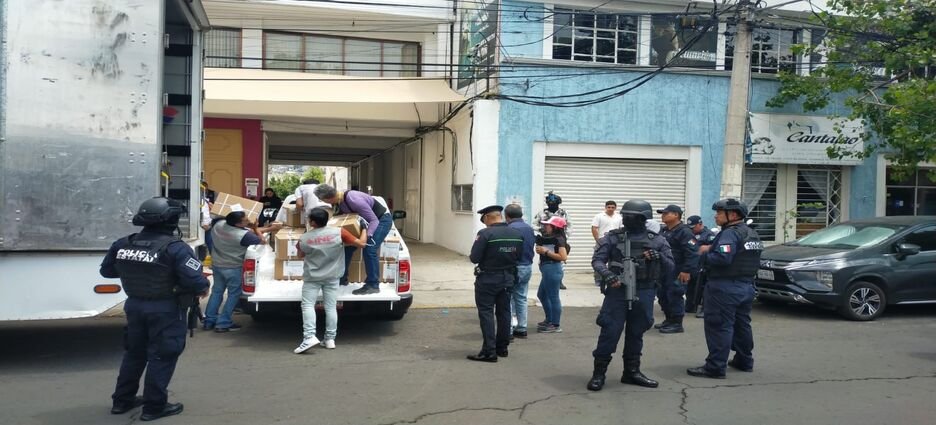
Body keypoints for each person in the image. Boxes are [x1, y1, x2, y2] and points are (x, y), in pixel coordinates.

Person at [100, 197, 210, 421]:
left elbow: (107, 272)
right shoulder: (176, 248)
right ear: (172, 220)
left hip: (134, 306)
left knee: (134, 354)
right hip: (166, 309)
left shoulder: (123, 243)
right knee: (162, 356)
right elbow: (197, 283)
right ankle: (154, 406)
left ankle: (122, 400)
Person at [587, 200, 674, 391]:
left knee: (636, 333)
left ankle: (631, 372)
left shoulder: (657, 240)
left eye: (629, 216)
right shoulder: (612, 238)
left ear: (642, 218)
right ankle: (599, 373)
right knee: (610, 332)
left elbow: (670, 266)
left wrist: (658, 257)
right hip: (617, 292)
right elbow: (598, 261)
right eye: (624, 215)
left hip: (644, 291)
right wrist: (609, 275)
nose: (625, 219)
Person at [687, 199, 764, 379]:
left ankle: (715, 367)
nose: (716, 215)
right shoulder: (752, 233)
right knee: (741, 325)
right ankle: (744, 360)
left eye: (720, 212)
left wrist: (705, 252)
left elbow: (722, 259)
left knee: (719, 326)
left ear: (734, 215)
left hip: (724, 287)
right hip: (746, 286)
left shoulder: (730, 234)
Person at [293, 207, 368, 353]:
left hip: (312, 277)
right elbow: (361, 244)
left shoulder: (305, 238)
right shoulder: (339, 232)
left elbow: (300, 255)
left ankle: (309, 337)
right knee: (330, 307)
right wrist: (364, 229)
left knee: (308, 306)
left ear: (312, 222)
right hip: (333, 277)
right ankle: (330, 339)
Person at [467, 205, 523, 363]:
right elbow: (519, 256)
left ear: (487, 218)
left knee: (486, 314)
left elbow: (474, 258)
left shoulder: (485, 233)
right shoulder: (516, 234)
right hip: (508, 278)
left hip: (488, 279)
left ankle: (489, 351)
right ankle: (502, 348)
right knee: (504, 313)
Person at [314, 184, 393, 295]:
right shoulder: (338, 201)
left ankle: (373, 285)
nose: (324, 202)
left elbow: (374, 220)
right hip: (362, 223)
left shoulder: (353, 199)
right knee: (347, 248)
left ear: (328, 198)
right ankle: (342, 279)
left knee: (369, 249)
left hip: (380, 220)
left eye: (322, 200)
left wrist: (367, 237)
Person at [204, 211, 264, 332]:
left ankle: (209, 321)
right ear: (237, 224)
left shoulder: (218, 225)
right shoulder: (243, 235)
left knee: (217, 292)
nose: (248, 221)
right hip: (233, 267)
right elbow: (262, 241)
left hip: (217, 265)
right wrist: (255, 228)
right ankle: (223, 323)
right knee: (233, 295)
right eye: (245, 220)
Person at [654, 204, 699, 334]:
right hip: (664, 269)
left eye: (665, 213)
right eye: (662, 213)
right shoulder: (663, 230)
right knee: (663, 295)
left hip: (678, 270)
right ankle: (669, 319)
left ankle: (677, 323)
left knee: (674, 295)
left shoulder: (684, 232)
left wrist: (686, 270)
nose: (662, 215)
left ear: (676, 215)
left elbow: (693, 252)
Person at [504, 204, 535, 339]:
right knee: (521, 297)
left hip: (514, 267)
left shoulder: (509, 229)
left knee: (508, 298)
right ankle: (521, 328)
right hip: (527, 265)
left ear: (507, 216)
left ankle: (509, 329)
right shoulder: (529, 228)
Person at [535, 216, 569, 333]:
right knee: (542, 295)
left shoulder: (559, 239)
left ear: (555, 227)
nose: (545, 227)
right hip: (547, 269)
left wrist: (546, 252)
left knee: (553, 297)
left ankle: (555, 324)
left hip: (553, 269)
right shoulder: (551, 238)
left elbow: (563, 257)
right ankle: (549, 320)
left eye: (548, 225)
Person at [534, 191, 571, 289]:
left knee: (560, 261)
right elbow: (534, 225)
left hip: (560, 239)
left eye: (555, 203)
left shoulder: (563, 213)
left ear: (558, 203)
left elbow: (568, 225)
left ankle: (559, 280)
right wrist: (540, 233)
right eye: (550, 203)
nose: (552, 205)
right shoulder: (541, 213)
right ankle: (546, 277)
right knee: (545, 259)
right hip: (545, 239)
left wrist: (565, 237)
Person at [686, 215, 716, 316]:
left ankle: (704, 309)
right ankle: (690, 306)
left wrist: (706, 248)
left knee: (703, 288)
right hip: (693, 264)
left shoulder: (709, 234)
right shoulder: (689, 233)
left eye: (693, 227)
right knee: (691, 286)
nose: (692, 230)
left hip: (704, 265)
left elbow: (715, 247)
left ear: (700, 224)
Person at [592, 201, 623, 287]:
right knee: (598, 260)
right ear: (605, 207)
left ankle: (612, 278)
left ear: (615, 208)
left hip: (615, 242)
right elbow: (594, 228)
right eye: (609, 207)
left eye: (612, 207)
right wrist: (598, 240)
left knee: (614, 261)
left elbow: (622, 229)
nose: (610, 209)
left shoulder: (619, 217)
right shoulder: (599, 216)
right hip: (602, 241)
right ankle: (598, 279)